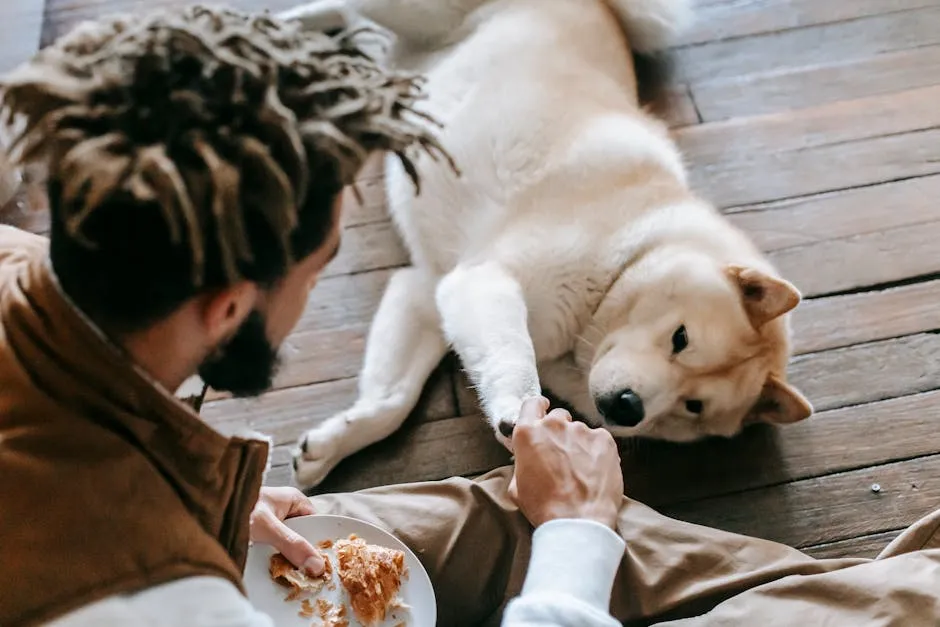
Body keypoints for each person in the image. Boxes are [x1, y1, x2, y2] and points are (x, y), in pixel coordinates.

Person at [3, 6, 940, 627]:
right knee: (580, 524)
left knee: (513, 507)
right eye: (325, 262)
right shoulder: (151, 599)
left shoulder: (22, 267)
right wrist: (575, 532)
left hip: (207, 524)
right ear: (228, 307)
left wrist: (208, 503)